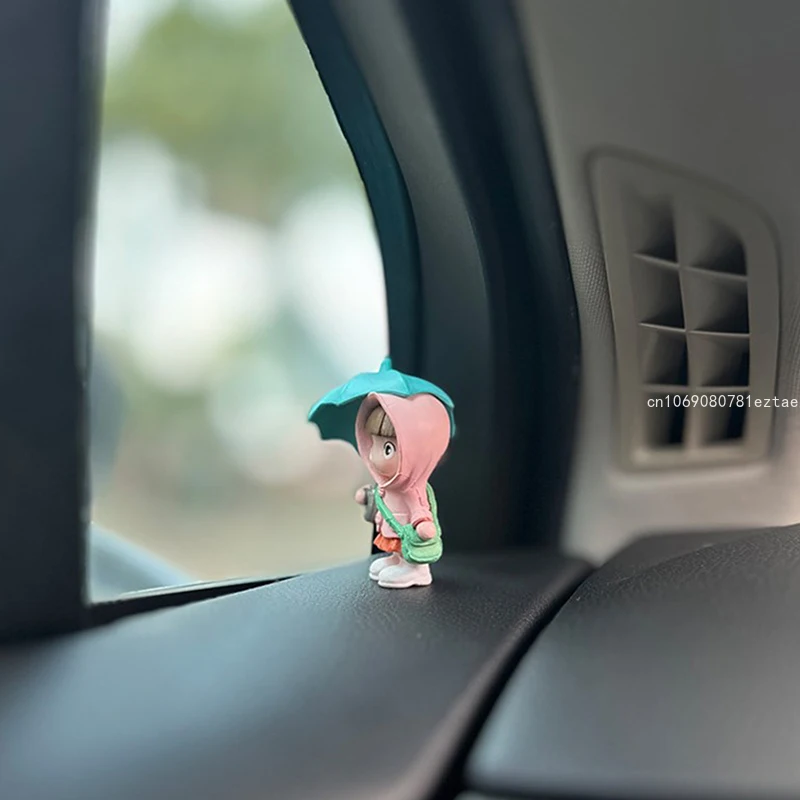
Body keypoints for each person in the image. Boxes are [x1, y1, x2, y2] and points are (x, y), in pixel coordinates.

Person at [353, 392, 449, 588]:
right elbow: (380, 496)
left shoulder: (411, 489)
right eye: (373, 444)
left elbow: (419, 508)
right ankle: (397, 559)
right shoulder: (387, 483)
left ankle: (417, 569)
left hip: (407, 532)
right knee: (396, 546)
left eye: (387, 448)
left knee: (406, 546)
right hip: (393, 528)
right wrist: (367, 495)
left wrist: (422, 524)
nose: (374, 456)